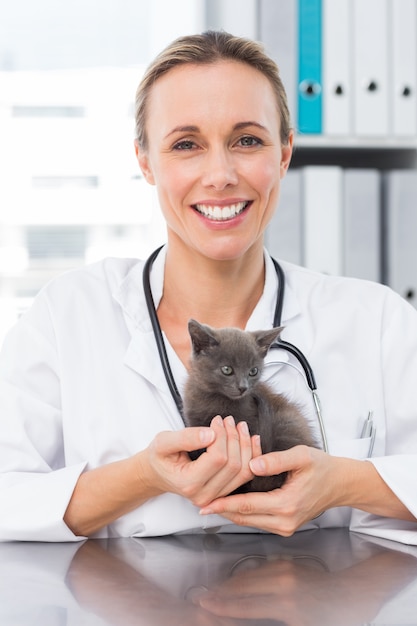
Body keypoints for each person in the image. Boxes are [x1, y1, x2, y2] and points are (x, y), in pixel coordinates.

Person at [0, 30, 416, 543]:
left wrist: (346, 482)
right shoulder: (68, 316)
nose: (220, 175)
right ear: (146, 161)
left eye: (247, 140)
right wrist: (142, 477)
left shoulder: (375, 321)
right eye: (186, 145)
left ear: (284, 154)